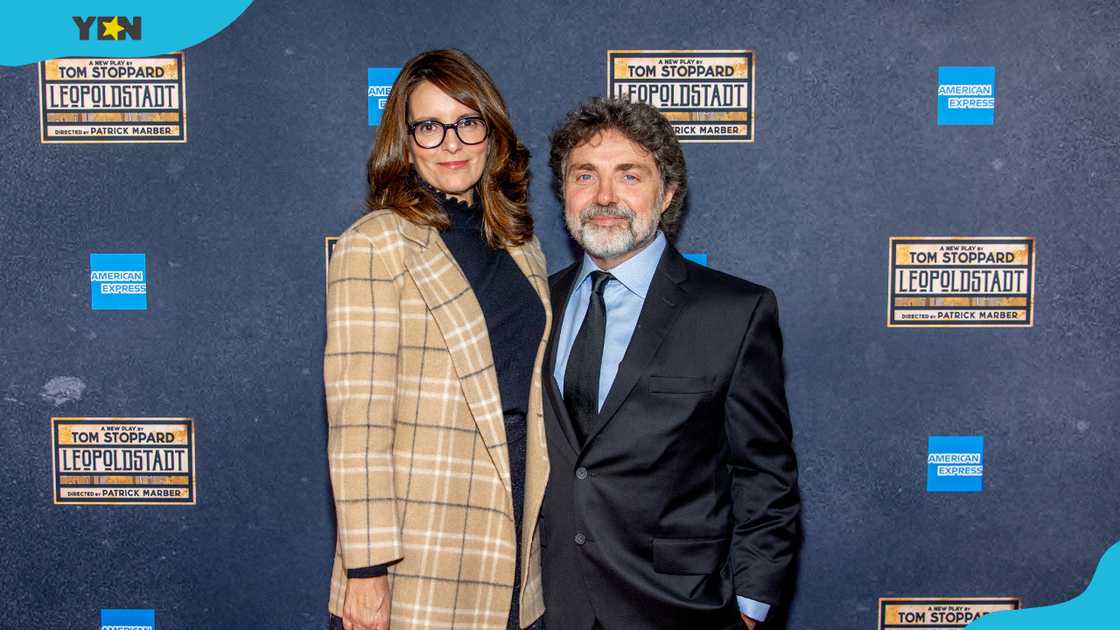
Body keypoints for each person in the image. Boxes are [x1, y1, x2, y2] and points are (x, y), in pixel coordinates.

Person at [539, 97, 801, 630]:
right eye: (585, 175)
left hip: (682, 609)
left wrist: (748, 607)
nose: (605, 196)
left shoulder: (735, 312)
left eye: (629, 176)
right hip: (553, 607)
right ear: (564, 193)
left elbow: (765, 475)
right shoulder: (538, 306)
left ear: (668, 195)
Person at [325, 49, 549, 630]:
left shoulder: (520, 244)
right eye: (430, 126)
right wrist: (367, 574)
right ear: (406, 141)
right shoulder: (375, 245)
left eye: (466, 122)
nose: (451, 143)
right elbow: (358, 426)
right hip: (420, 558)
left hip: (517, 549)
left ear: (491, 131)